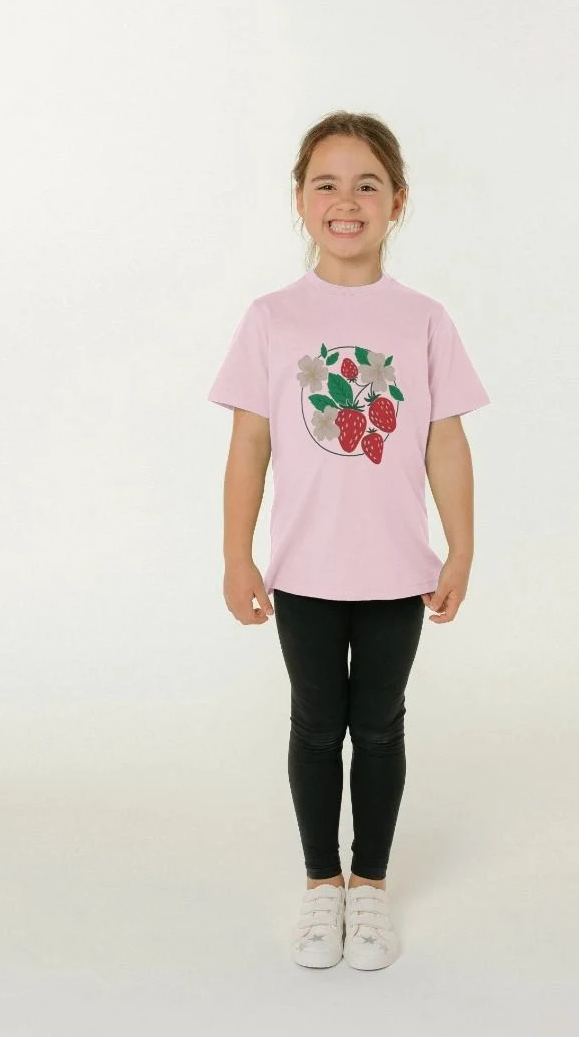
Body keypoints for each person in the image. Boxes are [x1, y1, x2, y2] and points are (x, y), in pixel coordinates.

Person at [206, 111, 490, 970]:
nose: (347, 201)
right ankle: (320, 884)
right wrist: (237, 555)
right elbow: (249, 443)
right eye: (326, 184)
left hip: (398, 571)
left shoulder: (423, 320)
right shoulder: (272, 318)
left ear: (397, 201)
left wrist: (461, 548)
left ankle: (369, 887)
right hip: (303, 570)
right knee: (314, 724)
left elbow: (445, 439)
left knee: (380, 727)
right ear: (300, 200)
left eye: (368, 184)